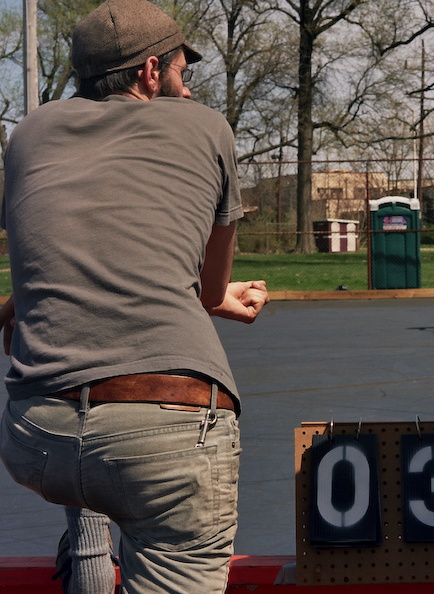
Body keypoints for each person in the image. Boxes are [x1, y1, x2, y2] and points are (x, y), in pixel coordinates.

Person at [0, 0, 269, 592]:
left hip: (36, 434)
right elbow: (210, 286)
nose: (188, 87)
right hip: (165, 430)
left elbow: (56, 263)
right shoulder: (206, 127)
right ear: (152, 72)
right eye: (182, 71)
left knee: (96, 467)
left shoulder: (30, 133)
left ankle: (91, 549)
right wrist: (223, 299)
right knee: (140, 470)